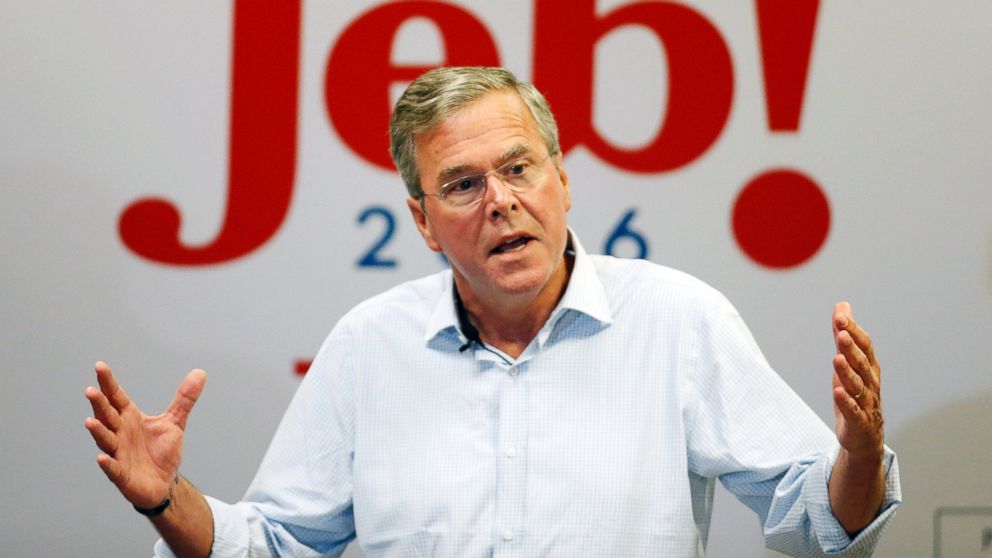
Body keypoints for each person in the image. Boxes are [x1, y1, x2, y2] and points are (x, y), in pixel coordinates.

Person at [85, 66, 900, 557]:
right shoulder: (370, 347)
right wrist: (168, 498)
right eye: (464, 185)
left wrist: (859, 457)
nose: (501, 202)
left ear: (564, 181)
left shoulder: (677, 321)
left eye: (519, 168)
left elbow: (820, 525)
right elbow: (275, 546)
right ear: (422, 221)